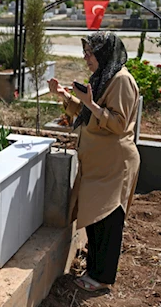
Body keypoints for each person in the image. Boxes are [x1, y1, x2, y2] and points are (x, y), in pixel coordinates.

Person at [48, 31, 141, 292]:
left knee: (108, 221)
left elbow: (118, 124)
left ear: (104, 53)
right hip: (99, 164)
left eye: (90, 53)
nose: (86, 58)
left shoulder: (121, 81)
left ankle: (102, 277)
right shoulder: (104, 78)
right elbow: (88, 113)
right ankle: (95, 270)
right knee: (97, 220)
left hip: (114, 164)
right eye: (85, 52)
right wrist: (65, 96)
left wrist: (90, 103)